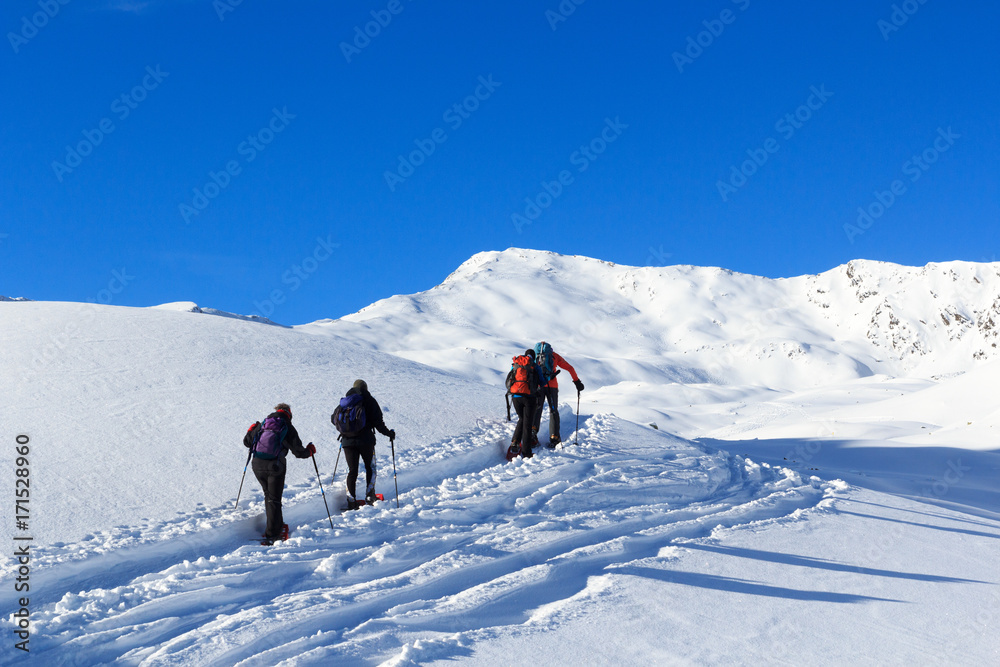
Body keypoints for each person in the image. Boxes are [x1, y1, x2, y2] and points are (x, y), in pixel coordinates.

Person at [243, 403, 315, 544]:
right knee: (274, 499)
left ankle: (277, 525)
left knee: (269, 496)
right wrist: (310, 451)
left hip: (257, 464)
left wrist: (250, 429)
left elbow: (247, 442)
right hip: (275, 466)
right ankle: (273, 533)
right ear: (289, 413)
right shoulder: (287, 425)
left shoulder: (264, 423)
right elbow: (299, 452)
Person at [333, 379, 395, 510]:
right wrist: (389, 433)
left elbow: (334, 419)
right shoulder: (369, 400)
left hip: (347, 441)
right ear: (365, 388)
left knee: (352, 471)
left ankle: (351, 501)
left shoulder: (345, 402)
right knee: (370, 468)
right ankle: (370, 496)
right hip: (366, 440)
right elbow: (378, 422)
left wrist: (347, 430)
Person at [532, 341, 584, 447]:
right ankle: (554, 437)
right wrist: (577, 382)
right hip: (552, 387)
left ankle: (532, 434)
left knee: (537, 409)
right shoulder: (554, 356)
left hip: (539, 386)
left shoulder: (535, 356)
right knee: (553, 411)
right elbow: (570, 368)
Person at [508, 349, 543, 459]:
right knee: (527, 424)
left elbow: (510, 378)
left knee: (522, 419)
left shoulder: (517, 363)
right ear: (534, 356)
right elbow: (542, 382)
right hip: (529, 398)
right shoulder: (534, 365)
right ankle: (526, 452)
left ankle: (515, 442)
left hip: (515, 397)